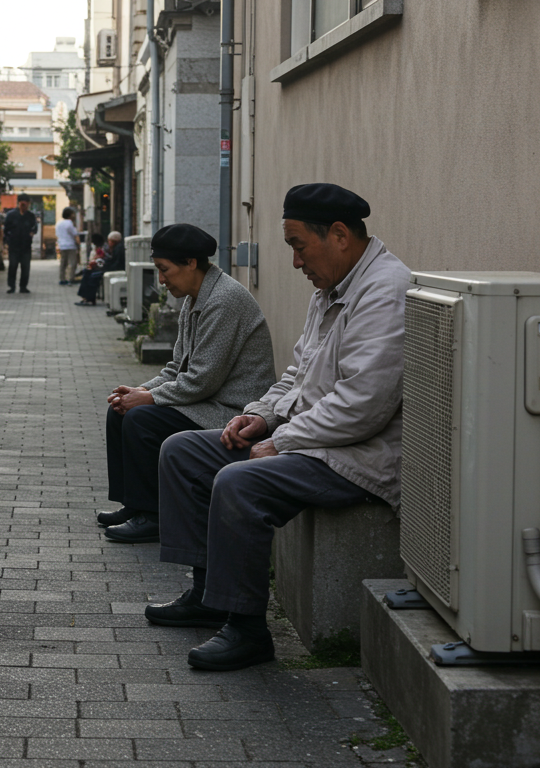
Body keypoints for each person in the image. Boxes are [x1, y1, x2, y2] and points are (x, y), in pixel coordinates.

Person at [146, 183, 410, 671]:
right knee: (183, 450)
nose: (295, 262)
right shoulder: (332, 285)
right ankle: (207, 593)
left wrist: (280, 440)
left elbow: (364, 406)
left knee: (239, 482)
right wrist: (261, 415)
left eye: (297, 246)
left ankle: (247, 629)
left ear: (338, 235)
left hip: (359, 453)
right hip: (312, 438)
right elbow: (297, 373)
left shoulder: (384, 291)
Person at [100, 223, 276, 544]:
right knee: (122, 410)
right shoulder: (195, 297)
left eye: (164, 270)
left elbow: (201, 381)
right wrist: (140, 391)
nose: (162, 279)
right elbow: (175, 369)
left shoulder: (224, 300)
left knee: (142, 419)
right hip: (206, 399)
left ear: (191, 263)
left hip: (232, 410)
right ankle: (135, 504)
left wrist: (148, 400)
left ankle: (153, 516)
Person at [75, 230, 124, 305]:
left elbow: (115, 264)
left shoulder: (118, 249)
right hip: (108, 268)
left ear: (114, 241)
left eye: (110, 241)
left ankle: (89, 298)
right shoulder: (115, 248)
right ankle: (85, 297)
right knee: (87, 272)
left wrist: (102, 267)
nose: (108, 243)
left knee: (92, 276)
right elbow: (110, 261)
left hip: (112, 270)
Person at [4, 194, 40, 293]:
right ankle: (11, 286)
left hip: (26, 245)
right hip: (13, 245)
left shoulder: (30, 216)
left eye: (26, 204)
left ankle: (23, 286)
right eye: (22, 203)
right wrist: (6, 242)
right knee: (13, 266)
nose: (24, 206)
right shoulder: (11, 215)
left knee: (25, 267)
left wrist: (32, 233)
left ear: (28, 204)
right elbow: (6, 229)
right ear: (18, 203)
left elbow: (35, 227)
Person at [56, 207, 80, 285]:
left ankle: (62, 279)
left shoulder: (58, 224)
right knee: (72, 263)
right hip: (70, 245)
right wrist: (78, 245)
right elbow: (75, 235)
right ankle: (70, 278)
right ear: (70, 215)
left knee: (63, 263)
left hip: (62, 245)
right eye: (72, 214)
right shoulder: (70, 223)